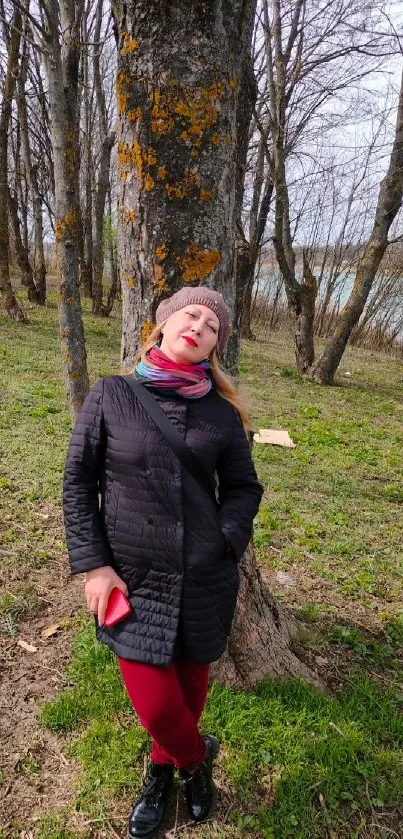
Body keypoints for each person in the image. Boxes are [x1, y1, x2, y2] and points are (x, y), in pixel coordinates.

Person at [63, 286, 263, 838]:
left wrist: (226, 540)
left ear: (213, 349)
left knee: (189, 683)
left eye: (212, 326)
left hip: (204, 574)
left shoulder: (221, 414)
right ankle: (197, 759)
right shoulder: (110, 396)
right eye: (190, 314)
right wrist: (95, 566)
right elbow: (77, 483)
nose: (198, 326)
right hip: (131, 577)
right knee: (155, 703)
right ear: (163, 323)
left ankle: (161, 772)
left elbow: (245, 488)